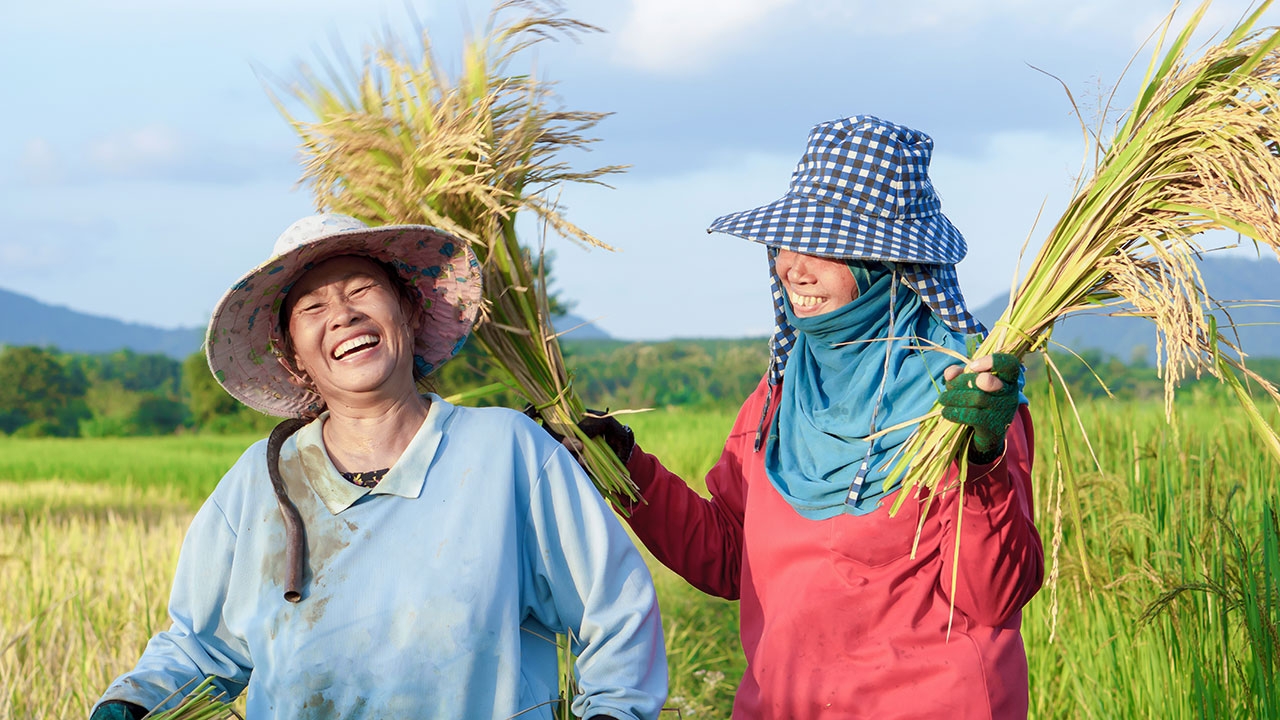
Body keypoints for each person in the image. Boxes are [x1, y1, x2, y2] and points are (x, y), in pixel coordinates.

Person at [89, 214, 667, 720]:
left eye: (361, 290)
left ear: (409, 312)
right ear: (293, 357)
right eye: (313, 307)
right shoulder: (260, 483)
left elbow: (615, 612)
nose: (341, 315)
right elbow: (198, 646)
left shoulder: (505, 452)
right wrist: (133, 700)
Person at [574, 116, 1043, 718]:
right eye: (789, 240)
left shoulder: (963, 396)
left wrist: (981, 462)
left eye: (825, 244)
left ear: (885, 263)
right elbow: (730, 557)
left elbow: (994, 596)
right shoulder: (776, 399)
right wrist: (625, 467)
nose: (793, 266)